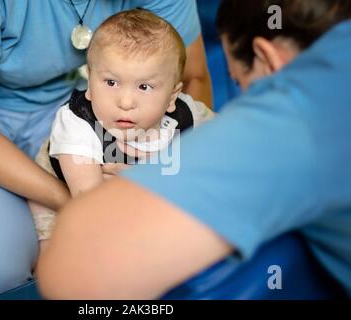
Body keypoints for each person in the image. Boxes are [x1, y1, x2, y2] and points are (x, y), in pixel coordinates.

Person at [36, 0, 351, 299]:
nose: (126, 101)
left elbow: (68, 273)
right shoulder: (77, 122)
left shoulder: (294, 116)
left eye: (239, 82)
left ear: (267, 60)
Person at [0, 0, 212, 299]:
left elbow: (191, 78)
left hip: (52, 95)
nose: (128, 101)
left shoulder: (109, 103)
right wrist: (86, 203)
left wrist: (176, 169)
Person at [28, 9, 213, 241]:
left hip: (137, 202)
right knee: (63, 250)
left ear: (172, 96)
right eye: (111, 82)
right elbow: (93, 208)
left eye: (144, 87)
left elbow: (225, 146)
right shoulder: (78, 123)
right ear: (91, 83)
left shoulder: (186, 115)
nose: (125, 102)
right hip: (69, 202)